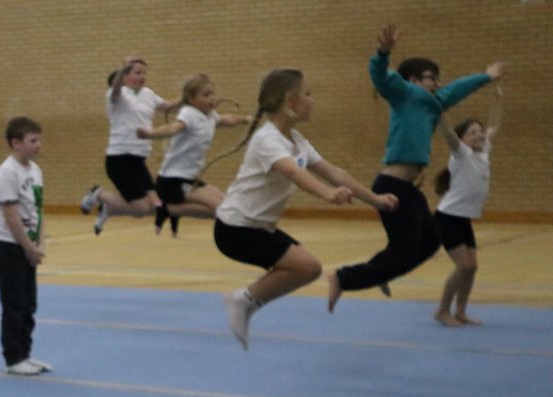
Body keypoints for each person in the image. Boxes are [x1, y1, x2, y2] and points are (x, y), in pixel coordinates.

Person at [213, 69, 398, 350]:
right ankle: (243, 300)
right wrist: (327, 194)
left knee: (309, 269)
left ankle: (246, 300)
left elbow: (335, 173)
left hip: (258, 228)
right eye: (308, 94)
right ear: (291, 102)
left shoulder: (296, 140)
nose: (313, 100)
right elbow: (292, 172)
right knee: (307, 267)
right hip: (235, 229)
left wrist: (376, 200)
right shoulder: (267, 139)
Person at [327, 24, 504, 312]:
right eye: (430, 78)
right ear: (411, 80)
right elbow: (380, 76)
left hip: (408, 189)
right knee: (403, 253)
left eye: (437, 79)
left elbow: (456, 89)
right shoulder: (403, 93)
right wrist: (383, 52)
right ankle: (343, 277)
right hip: (391, 186)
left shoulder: (434, 103)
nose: (437, 84)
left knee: (431, 241)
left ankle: (378, 270)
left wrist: (486, 76)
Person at [137, 74, 252, 236]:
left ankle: (170, 210)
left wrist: (245, 119)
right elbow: (172, 128)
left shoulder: (210, 116)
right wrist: (150, 133)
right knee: (223, 208)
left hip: (189, 179)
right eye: (205, 95)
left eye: (212, 94)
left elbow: (227, 120)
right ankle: (168, 209)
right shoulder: (188, 113)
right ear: (191, 99)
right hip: (172, 181)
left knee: (226, 202)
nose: (211, 98)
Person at [431, 85, 502, 327]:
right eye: (473, 133)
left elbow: (494, 126)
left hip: (463, 219)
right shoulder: (461, 154)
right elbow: (448, 132)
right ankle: (442, 310)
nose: (479, 135)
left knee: (472, 268)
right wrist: (438, 108)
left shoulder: (483, 152)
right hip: (447, 218)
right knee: (465, 265)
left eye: (480, 132)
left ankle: (460, 311)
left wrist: (497, 100)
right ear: (463, 139)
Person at [80, 56, 173, 235]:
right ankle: (99, 194)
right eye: (137, 73)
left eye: (144, 73)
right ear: (124, 76)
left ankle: (109, 208)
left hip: (138, 159)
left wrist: (190, 99)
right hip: (119, 160)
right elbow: (115, 89)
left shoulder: (148, 94)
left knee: (155, 202)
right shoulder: (117, 95)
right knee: (141, 209)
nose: (142, 76)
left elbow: (168, 106)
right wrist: (122, 69)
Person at [0, 116, 51, 375]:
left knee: (29, 303)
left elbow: (37, 208)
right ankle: (13, 358)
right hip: (7, 246)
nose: (39, 145)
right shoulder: (7, 173)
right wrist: (27, 247)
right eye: (32, 140)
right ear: (16, 143)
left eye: (39, 139)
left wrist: (40, 242)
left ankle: (25, 352)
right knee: (14, 303)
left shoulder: (35, 170)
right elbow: (11, 216)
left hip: (26, 245)